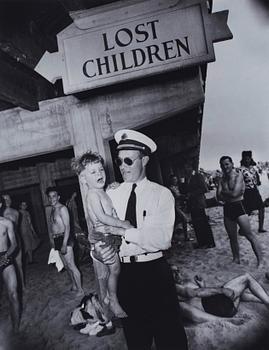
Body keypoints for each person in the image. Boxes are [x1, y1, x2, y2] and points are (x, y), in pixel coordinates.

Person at [93, 129, 188, 350]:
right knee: (136, 339)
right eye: (119, 161)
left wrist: (123, 232)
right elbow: (99, 234)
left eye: (128, 160)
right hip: (125, 275)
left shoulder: (162, 194)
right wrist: (96, 253)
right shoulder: (111, 195)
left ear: (144, 160)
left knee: (170, 338)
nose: (122, 166)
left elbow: (162, 239)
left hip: (155, 272)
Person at [71, 151, 132, 318]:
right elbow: (103, 217)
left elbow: (111, 208)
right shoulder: (92, 194)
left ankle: (108, 299)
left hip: (112, 236)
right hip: (103, 237)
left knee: (117, 270)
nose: (99, 174)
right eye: (93, 172)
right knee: (115, 269)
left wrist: (114, 185)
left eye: (101, 170)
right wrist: (122, 224)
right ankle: (112, 299)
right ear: (83, 179)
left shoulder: (103, 191)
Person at [172, 267, 269, 324]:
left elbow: (200, 297)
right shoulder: (176, 290)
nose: (178, 274)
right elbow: (195, 313)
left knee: (239, 291)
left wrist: (202, 285)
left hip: (227, 308)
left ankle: (262, 300)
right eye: (173, 272)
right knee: (246, 278)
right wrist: (228, 321)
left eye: (178, 270)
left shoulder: (181, 290)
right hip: (220, 306)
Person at [216, 156, 265, 266]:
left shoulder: (238, 176)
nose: (225, 167)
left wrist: (225, 192)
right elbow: (218, 196)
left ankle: (260, 261)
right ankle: (236, 259)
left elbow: (235, 193)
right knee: (232, 237)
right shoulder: (221, 179)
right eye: (223, 165)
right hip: (227, 209)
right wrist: (227, 193)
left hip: (239, 206)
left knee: (249, 235)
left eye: (227, 164)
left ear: (232, 164)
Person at [46, 187, 83, 296]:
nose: (52, 198)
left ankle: (80, 290)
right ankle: (75, 285)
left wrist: (64, 244)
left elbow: (67, 227)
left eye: (54, 196)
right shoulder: (53, 210)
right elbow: (53, 227)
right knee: (66, 266)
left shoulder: (63, 209)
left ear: (58, 197)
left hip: (65, 239)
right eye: (50, 196)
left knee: (72, 265)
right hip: (57, 239)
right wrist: (53, 241)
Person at [0, 195, 21, 332]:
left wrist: (6, 256)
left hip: (5, 257)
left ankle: (15, 329)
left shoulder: (7, 223)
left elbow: (14, 244)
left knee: (13, 294)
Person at [184, 164, 215, 249]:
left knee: (203, 223)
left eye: (187, 167)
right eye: (185, 167)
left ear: (191, 167)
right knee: (196, 224)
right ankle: (201, 243)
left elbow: (204, 188)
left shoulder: (198, 176)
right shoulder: (187, 177)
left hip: (199, 203)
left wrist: (192, 194)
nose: (186, 169)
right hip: (192, 204)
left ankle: (209, 243)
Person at [240, 151, 266, 233]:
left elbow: (258, 180)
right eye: (245, 159)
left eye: (249, 158)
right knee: (246, 211)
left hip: (255, 190)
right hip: (246, 192)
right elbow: (239, 182)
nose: (247, 160)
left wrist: (257, 181)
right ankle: (242, 229)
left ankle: (260, 228)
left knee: (261, 208)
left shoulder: (253, 168)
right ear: (243, 159)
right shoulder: (241, 170)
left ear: (251, 159)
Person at [3, 194, 24, 289]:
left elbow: (16, 228)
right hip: (4, 243)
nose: (7, 200)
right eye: (4, 199)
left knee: (19, 264)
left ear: (11, 200)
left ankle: (22, 286)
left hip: (15, 239)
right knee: (7, 266)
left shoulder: (17, 212)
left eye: (8, 198)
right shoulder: (1, 213)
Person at [168, 174, 192, 242]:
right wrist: (186, 196)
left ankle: (171, 237)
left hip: (179, 206)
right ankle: (186, 237)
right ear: (171, 180)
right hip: (175, 206)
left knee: (176, 222)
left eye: (175, 179)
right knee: (184, 219)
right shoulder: (171, 188)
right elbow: (177, 196)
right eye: (173, 180)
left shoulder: (176, 187)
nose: (175, 181)